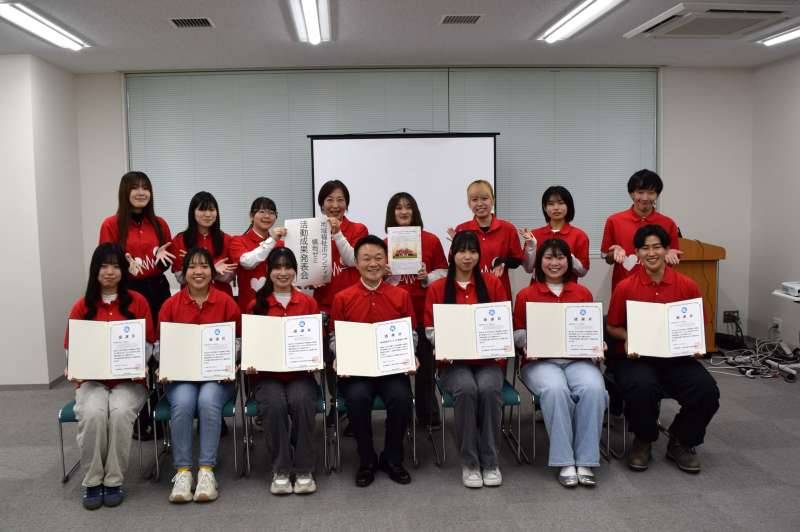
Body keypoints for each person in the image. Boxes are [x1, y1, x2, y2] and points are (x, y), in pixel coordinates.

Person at [606, 225, 719, 473]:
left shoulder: (687, 285)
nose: (652, 252)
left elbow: (697, 327)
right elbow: (613, 327)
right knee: (641, 387)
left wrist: (696, 347)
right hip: (638, 358)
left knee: (706, 390)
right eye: (645, 248)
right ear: (636, 252)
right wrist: (630, 338)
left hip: (677, 358)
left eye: (657, 247)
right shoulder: (625, 287)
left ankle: (681, 440)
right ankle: (643, 440)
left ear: (668, 249)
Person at [64, 243, 155, 510]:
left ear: (123, 270)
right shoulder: (82, 306)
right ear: (95, 270)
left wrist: (134, 362)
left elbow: (148, 345)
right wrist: (74, 366)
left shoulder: (137, 302)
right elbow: (71, 348)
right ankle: (93, 481)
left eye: (116, 266)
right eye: (104, 265)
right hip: (92, 381)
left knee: (118, 413)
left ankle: (113, 480)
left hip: (129, 381)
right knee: (93, 413)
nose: (110, 271)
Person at [513, 238, 606, 488]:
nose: (554, 263)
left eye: (560, 258)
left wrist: (598, 343)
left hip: (578, 360)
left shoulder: (582, 293)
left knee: (594, 389)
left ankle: (586, 459)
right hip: (541, 362)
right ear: (539, 263)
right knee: (555, 390)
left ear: (569, 261)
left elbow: (592, 330)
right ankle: (564, 460)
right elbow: (516, 334)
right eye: (548, 258)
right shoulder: (526, 295)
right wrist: (533, 338)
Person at [330, 235, 416, 487]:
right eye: (366, 258)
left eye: (378, 257)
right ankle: (366, 460)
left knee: (401, 398)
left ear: (386, 261)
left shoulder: (400, 295)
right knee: (357, 398)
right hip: (357, 371)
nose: (373, 263)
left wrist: (411, 356)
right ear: (356, 263)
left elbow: (410, 333)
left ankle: (392, 458)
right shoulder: (342, 298)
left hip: (391, 369)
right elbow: (335, 338)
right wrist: (340, 357)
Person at [424, 230, 507, 488]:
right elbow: (429, 331)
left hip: (487, 362)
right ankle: (470, 462)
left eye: (473, 251)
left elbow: (503, 322)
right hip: (453, 364)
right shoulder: (438, 288)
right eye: (462, 251)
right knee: (467, 389)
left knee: (490, 388)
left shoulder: (492, 284)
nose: (467, 256)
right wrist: (446, 343)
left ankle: (490, 460)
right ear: (452, 254)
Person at [158, 248, 242, 503]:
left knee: (207, 401)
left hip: (217, 377)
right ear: (183, 273)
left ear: (212, 272)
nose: (198, 272)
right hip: (181, 377)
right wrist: (164, 365)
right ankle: (183, 472)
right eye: (192, 267)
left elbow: (238, 341)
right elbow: (162, 345)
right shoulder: (171, 305)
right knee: (183, 402)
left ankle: (206, 470)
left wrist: (231, 361)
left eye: (204, 266)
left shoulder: (226, 302)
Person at [245, 247, 321, 495]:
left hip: (301, 375)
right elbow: (249, 346)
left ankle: (304, 468)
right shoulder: (255, 305)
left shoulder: (308, 302)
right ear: (268, 272)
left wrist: (314, 358)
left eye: (288, 267)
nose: (283, 272)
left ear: (295, 271)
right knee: (274, 405)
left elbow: (316, 342)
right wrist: (250, 361)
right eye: (277, 267)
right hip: (267, 377)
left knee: (302, 402)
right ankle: (280, 468)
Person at [384, 192, 448, 429]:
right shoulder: (384, 243)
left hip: (424, 311)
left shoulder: (430, 240)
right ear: (391, 213)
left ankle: (427, 412)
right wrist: (386, 276)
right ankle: (400, 412)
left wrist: (426, 277)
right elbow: (376, 280)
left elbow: (444, 272)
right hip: (395, 314)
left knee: (426, 368)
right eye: (398, 208)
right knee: (398, 366)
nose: (403, 211)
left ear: (415, 211)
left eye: (408, 207)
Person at [312, 180, 368, 423]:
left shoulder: (358, 229)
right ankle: (337, 402)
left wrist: (337, 233)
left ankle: (353, 406)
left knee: (353, 357)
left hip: (352, 305)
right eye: (329, 200)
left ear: (347, 203)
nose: (335, 205)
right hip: (323, 304)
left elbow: (354, 260)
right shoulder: (311, 229)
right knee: (328, 359)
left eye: (340, 200)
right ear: (321, 204)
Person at [98, 171, 174, 321]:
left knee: (161, 337)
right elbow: (105, 263)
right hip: (126, 290)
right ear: (125, 192)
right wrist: (124, 263)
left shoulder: (160, 224)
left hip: (158, 289)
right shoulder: (111, 224)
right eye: (135, 188)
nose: (141, 193)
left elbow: (168, 263)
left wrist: (161, 259)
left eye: (145, 188)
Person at [601, 169, 681, 291]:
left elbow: (673, 257)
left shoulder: (668, 223)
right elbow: (608, 259)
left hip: (659, 289)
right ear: (631, 194)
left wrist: (671, 254)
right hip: (625, 289)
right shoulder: (614, 220)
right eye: (640, 192)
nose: (645, 198)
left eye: (651, 193)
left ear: (657, 195)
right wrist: (614, 253)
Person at [451, 179, 523, 301]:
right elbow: (453, 263)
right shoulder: (461, 229)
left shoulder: (508, 228)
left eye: (484, 199)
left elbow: (517, 260)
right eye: (474, 200)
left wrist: (503, 261)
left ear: (493, 200)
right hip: (469, 294)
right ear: (469, 203)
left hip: (499, 292)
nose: (480, 204)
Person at [171, 191, 236, 296]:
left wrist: (194, 269)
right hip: (189, 300)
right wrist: (214, 270)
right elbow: (181, 278)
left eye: (211, 209)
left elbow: (229, 276)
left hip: (222, 299)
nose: (207, 214)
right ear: (193, 212)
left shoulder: (227, 240)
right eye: (202, 209)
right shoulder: (179, 240)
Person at [520, 186, 590, 283]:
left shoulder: (579, 235)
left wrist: (566, 256)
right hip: (538, 291)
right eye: (551, 204)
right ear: (545, 207)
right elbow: (528, 269)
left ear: (568, 206)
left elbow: (582, 272)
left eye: (561, 203)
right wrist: (531, 247)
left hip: (569, 291)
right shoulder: (534, 235)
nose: (556, 208)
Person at [229, 197, 286, 314]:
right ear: (251, 216)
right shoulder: (238, 241)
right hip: (249, 310)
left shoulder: (281, 244)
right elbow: (247, 263)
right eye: (262, 212)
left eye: (271, 213)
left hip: (278, 308)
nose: (267, 216)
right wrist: (272, 240)